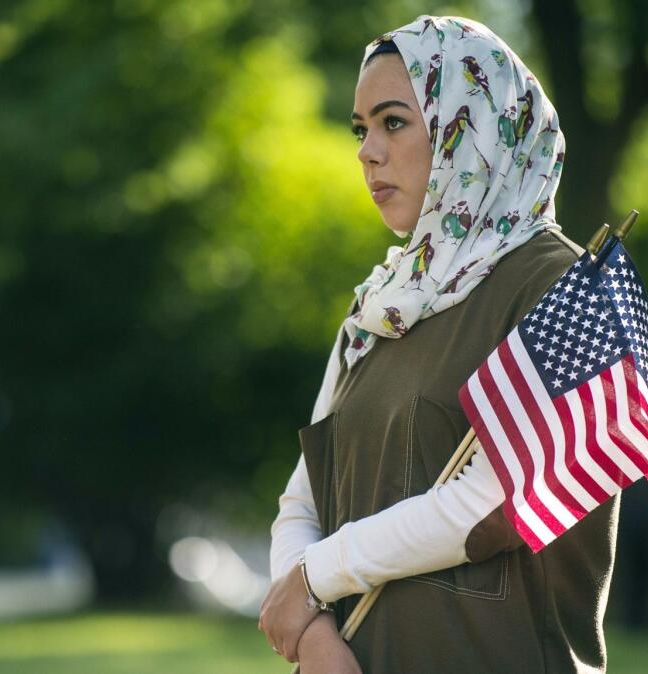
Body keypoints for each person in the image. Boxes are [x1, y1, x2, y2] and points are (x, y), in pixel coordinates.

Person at [259, 15, 620, 674]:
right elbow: (302, 502)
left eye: (394, 122)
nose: (368, 150)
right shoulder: (383, 304)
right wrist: (313, 638)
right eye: (360, 129)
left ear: (474, 121)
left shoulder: (567, 288)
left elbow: (492, 504)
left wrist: (314, 578)